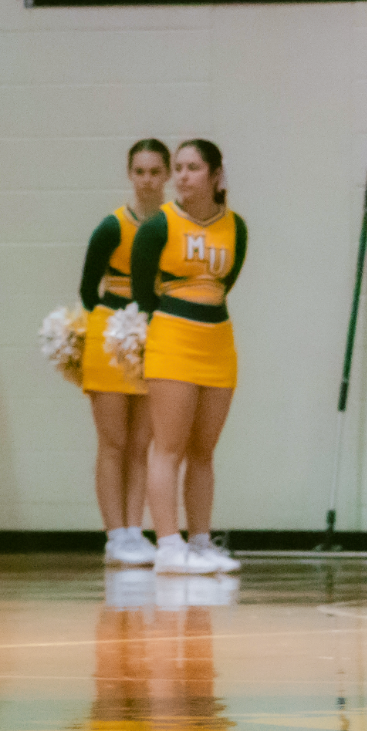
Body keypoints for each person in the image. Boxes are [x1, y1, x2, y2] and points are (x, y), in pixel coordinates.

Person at [132, 140, 248, 575]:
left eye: (192, 167)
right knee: (168, 447)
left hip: (218, 343)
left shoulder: (236, 227)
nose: (181, 175)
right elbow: (143, 292)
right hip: (172, 341)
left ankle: (200, 542)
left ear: (216, 175)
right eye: (178, 167)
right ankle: (168, 545)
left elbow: (226, 282)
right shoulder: (158, 226)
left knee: (204, 450)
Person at [79, 139, 171, 567]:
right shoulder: (112, 227)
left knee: (141, 443)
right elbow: (87, 289)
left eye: (155, 172)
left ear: (167, 175)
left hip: (156, 337)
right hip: (111, 337)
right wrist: (112, 327)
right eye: (140, 172)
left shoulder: (174, 226)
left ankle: (136, 530)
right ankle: (114, 534)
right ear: (130, 175)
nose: (147, 181)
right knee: (113, 441)